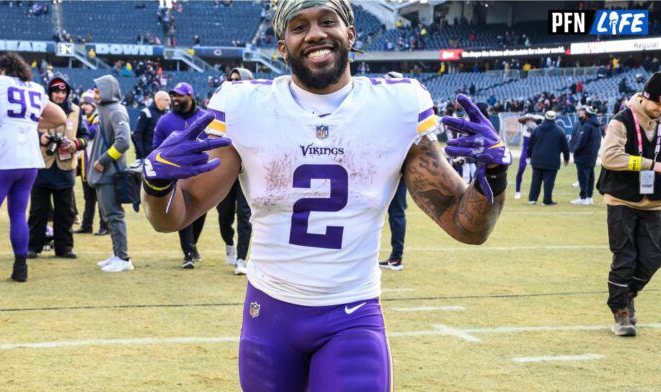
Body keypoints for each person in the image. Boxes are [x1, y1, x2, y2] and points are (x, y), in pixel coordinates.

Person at [141, 1, 510, 390]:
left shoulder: (398, 105)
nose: (315, 33)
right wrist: (157, 184)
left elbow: (466, 226)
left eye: (327, 21)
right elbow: (174, 217)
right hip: (269, 313)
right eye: (299, 26)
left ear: (350, 33)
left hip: (352, 316)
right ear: (282, 46)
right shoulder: (243, 105)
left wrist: (494, 179)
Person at [0, 52, 66, 284]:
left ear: (2, 70)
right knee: (18, 213)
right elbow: (60, 117)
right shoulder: (34, 88)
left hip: (3, 158)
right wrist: (29, 123)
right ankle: (20, 268)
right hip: (29, 160)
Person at [597, 72, 661, 336]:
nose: (660, 109)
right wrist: (648, 164)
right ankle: (621, 312)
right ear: (645, 98)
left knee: (652, 258)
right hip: (621, 199)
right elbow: (610, 158)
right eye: (658, 104)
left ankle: (628, 295)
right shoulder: (621, 121)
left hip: (654, 202)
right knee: (625, 257)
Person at [27, 74, 90, 259]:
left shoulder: (76, 111)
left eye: (63, 92)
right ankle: (33, 246)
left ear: (68, 93)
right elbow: (27, 131)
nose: (59, 95)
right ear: (50, 92)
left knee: (65, 211)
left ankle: (64, 248)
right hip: (42, 165)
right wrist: (41, 138)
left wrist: (75, 145)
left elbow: (85, 136)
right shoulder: (38, 108)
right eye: (55, 91)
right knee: (38, 210)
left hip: (65, 167)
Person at [152, 82, 207, 269]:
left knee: (199, 212)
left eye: (180, 96)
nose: (175, 99)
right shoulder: (165, 121)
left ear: (190, 96)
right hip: (175, 174)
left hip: (200, 173)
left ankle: (193, 245)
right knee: (183, 212)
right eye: (173, 95)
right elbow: (156, 147)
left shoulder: (205, 118)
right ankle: (189, 252)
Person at [87, 75, 133, 273]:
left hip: (110, 172)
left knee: (114, 215)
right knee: (109, 215)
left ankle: (123, 258)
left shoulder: (116, 111)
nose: (94, 94)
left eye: (97, 90)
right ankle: (117, 254)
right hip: (103, 174)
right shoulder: (105, 109)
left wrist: (102, 161)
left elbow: (124, 142)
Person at [217, 68, 254, 275]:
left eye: (238, 80)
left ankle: (241, 258)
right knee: (224, 213)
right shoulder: (221, 107)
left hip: (248, 168)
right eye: (231, 80)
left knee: (245, 214)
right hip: (228, 167)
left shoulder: (257, 110)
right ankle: (229, 241)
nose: (233, 83)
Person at [379, 71, 407, 271]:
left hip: (393, 166)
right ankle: (395, 256)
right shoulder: (400, 109)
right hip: (384, 166)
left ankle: (396, 257)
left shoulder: (401, 111)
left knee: (396, 212)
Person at [75, 90, 108, 236]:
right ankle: (86, 225)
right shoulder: (85, 119)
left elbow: (93, 132)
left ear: (93, 105)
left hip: (96, 165)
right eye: (83, 104)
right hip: (86, 165)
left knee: (100, 199)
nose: (84, 106)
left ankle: (104, 226)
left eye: (87, 103)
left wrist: (78, 129)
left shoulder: (98, 117)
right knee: (89, 198)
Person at [527, 110, 569, 206]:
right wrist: (566, 158)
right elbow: (565, 147)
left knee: (536, 180)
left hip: (537, 159)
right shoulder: (559, 131)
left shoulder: (536, 130)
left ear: (545, 117)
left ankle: (532, 199)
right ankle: (546, 200)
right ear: (555, 119)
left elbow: (530, 145)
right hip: (552, 161)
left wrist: (529, 155)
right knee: (549, 182)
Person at [570, 106, 602, 205]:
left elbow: (581, 142)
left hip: (583, 156)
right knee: (590, 177)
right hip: (592, 156)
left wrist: (574, 150)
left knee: (583, 177)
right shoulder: (597, 126)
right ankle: (589, 196)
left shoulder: (587, 126)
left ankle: (583, 197)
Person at [132, 90, 169, 161]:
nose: (169, 102)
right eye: (166, 100)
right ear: (158, 100)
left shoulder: (167, 114)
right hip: (148, 156)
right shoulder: (146, 113)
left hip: (162, 157)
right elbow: (137, 134)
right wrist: (142, 154)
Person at [514, 114, 541, 200]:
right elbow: (519, 119)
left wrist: (534, 119)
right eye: (528, 120)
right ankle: (517, 191)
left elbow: (542, 119)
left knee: (537, 172)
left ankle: (535, 193)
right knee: (521, 169)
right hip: (526, 150)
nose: (530, 122)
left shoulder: (538, 124)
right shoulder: (525, 123)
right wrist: (528, 118)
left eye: (531, 120)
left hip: (535, 150)